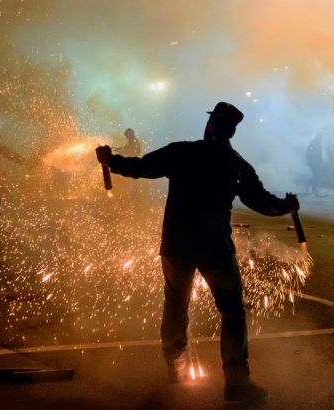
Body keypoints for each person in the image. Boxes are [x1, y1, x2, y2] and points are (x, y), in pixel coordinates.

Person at [95, 102, 299, 403]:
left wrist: (111, 160)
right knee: (232, 311)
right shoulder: (236, 164)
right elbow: (263, 203)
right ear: (231, 130)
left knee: (176, 304)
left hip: (177, 244)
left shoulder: (183, 152)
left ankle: (175, 368)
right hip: (214, 246)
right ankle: (236, 382)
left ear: (211, 126)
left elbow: (140, 168)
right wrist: (287, 206)